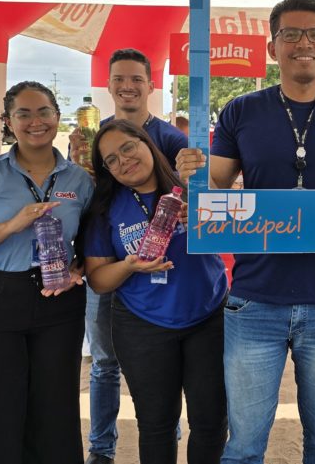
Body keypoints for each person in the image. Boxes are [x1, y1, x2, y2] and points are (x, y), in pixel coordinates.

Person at [176, 0, 315, 464]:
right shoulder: (240, 111)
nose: (303, 43)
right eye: (290, 34)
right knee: (244, 445)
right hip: (254, 300)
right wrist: (195, 173)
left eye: (314, 34)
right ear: (273, 48)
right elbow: (215, 186)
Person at [0, 81, 93, 464]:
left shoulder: (79, 179)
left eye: (44, 112)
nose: (35, 122)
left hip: (60, 303)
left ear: (58, 117)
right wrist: (10, 226)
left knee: (55, 414)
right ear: (9, 122)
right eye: (23, 114)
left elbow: (93, 241)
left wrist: (79, 268)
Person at [83, 120, 228, 464]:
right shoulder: (106, 208)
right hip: (142, 327)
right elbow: (98, 279)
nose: (123, 161)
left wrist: (205, 218)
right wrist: (129, 266)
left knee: (211, 421)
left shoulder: (193, 186)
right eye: (112, 160)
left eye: (128, 148)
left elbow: (241, 230)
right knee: (156, 425)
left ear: (146, 143)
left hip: (209, 318)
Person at [70, 48, 188, 464]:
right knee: (105, 362)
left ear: (151, 85)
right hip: (105, 259)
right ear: (108, 85)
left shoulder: (171, 138)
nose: (127, 86)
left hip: (161, 269)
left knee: (165, 360)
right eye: (119, 78)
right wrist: (76, 165)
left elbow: (192, 190)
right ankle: (101, 449)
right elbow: (81, 197)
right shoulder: (93, 137)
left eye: (136, 78)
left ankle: (166, 434)